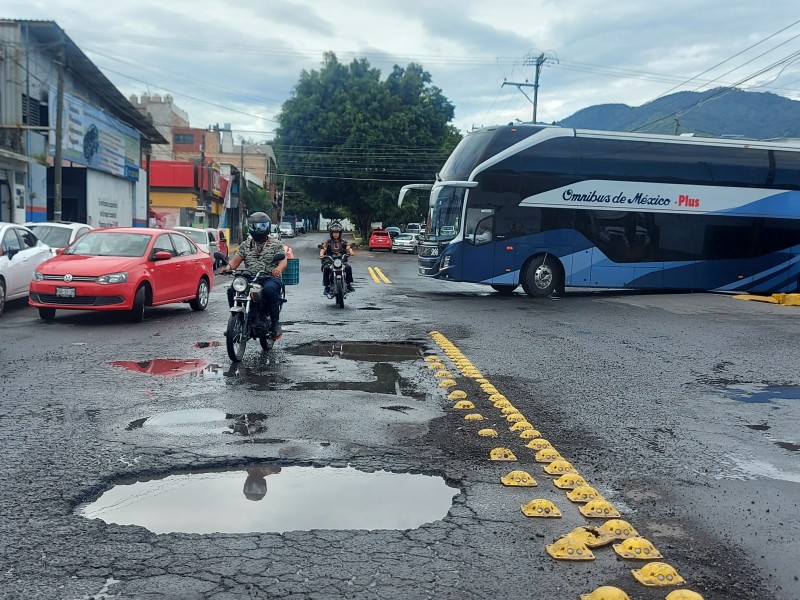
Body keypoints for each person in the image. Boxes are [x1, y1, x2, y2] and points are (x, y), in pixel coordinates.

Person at [220, 212, 287, 340]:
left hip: (269, 277)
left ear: (267, 227)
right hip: (250, 278)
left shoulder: (276, 243)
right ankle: (236, 320)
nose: (258, 229)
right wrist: (227, 268)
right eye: (255, 226)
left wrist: (278, 269)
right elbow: (235, 262)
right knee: (232, 290)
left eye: (261, 226)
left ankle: (275, 324)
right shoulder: (246, 244)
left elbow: (283, 261)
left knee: (269, 290)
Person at [319, 222, 355, 294]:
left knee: (348, 267)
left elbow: (348, 247)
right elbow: (323, 249)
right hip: (330, 261)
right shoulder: (328, 242)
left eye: (337, 232)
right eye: (334, 233)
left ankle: (348, 284)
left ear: (340, 233)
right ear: (331, 233)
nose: (335, 234)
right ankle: (327, 287)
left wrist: (351, 252)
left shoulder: (343, 242)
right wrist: (321, 254)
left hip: (341, 261)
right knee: (326, 268)